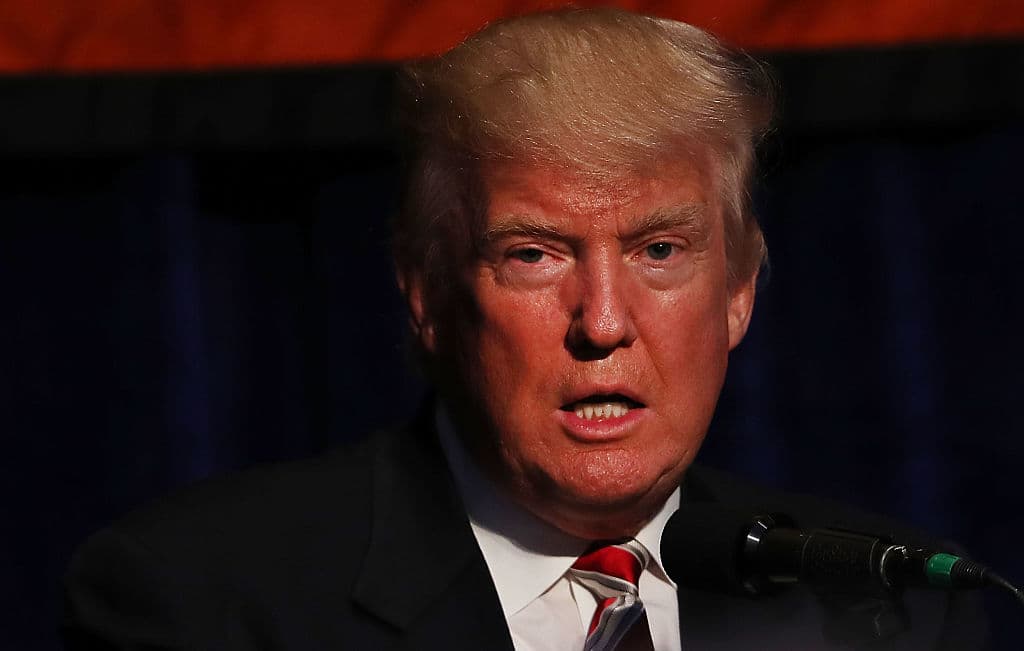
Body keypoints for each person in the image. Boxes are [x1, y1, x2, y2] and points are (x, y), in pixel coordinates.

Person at [63, 8, 987, 650]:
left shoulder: (883, 605)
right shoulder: (202, 603)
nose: (605, 322)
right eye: (535, 254)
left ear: (740, 290)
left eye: (660, 249)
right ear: (426, 292)